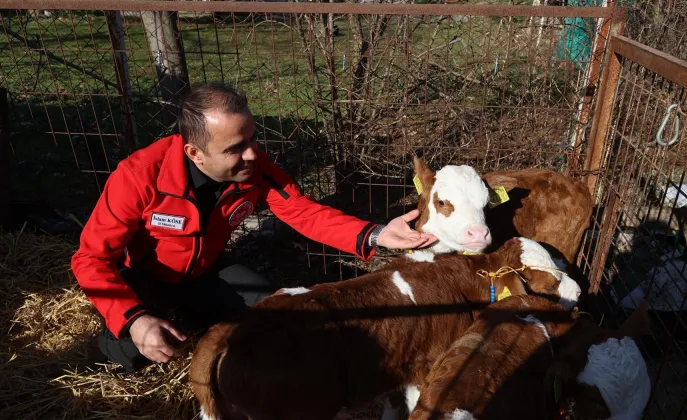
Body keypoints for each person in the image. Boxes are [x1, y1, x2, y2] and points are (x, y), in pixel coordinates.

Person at [71, 82, 437, 372]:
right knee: (133, 352)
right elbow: (90, 259)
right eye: (235, 147)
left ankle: (200, 317)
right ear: (195, 154)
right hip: (147, 276)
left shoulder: (254, 169)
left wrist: (376, 233)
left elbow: (303, 213)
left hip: (205, 270)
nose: (251, 153)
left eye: (252, 138)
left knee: (276, 312)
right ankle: (122, 339)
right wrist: (134, 321)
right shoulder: (139, 177)